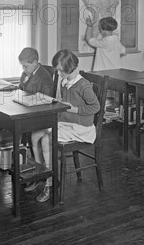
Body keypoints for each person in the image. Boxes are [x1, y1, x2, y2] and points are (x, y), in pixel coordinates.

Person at [31, 49, 100, 202]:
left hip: (82, 129)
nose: (59, 74)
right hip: (67, 123)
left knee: (46, 139)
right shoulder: (66, 82)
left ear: (70, 69)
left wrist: (74, 108)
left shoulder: (83, 85)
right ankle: (41, 175)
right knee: (35, 134)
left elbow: (96, 107)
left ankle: (50, 184)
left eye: (61, 71)